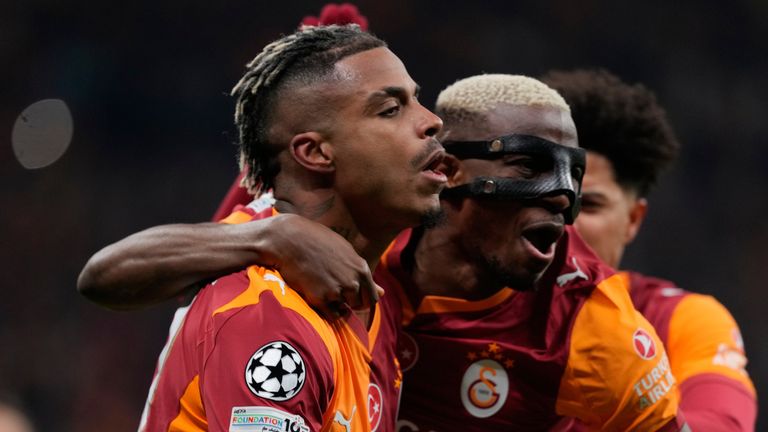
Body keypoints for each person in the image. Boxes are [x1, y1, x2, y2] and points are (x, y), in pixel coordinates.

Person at [80, 73, 690, 431]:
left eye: (572, 175)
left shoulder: (593, 330)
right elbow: (106, 276)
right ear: (446, 170)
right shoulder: (364, 223)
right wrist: (265, 235)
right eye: (528, 165)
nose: (560, 195)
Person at [135, 24, 447, 431]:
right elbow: (100, 277)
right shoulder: (265, 316)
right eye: (391, 110)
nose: (432, 121)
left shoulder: (370, 291)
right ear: (315, 152)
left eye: (417, 100)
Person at [542, 68, 757, 431]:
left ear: (633, 220)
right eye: (551, 202)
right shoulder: (449, 299)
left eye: (590, 206)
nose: (566, 226)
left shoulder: (682, 319)